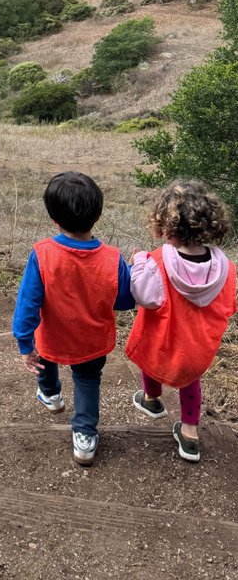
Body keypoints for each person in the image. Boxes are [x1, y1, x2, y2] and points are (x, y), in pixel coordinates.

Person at [12, 171, 134, 466]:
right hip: (92, 340)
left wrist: (24, 343)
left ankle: (51, 395)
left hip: (51, 335)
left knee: (44, 360)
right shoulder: (112, 257)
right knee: (88, 380)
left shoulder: (42, 254)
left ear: (54, 219)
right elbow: (125, 300)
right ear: (98, 214)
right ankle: (84, 437)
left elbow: (28, 303)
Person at [126, 180, 236, 463]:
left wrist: (140, 260)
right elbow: (229, 305)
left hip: (161, 344)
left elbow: (144, 295)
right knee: (190, 381)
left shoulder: (159, 259)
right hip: (197, 351)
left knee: (151, 356)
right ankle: (190, 436)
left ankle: (151, 399)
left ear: (166, 227)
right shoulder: (226, 267)